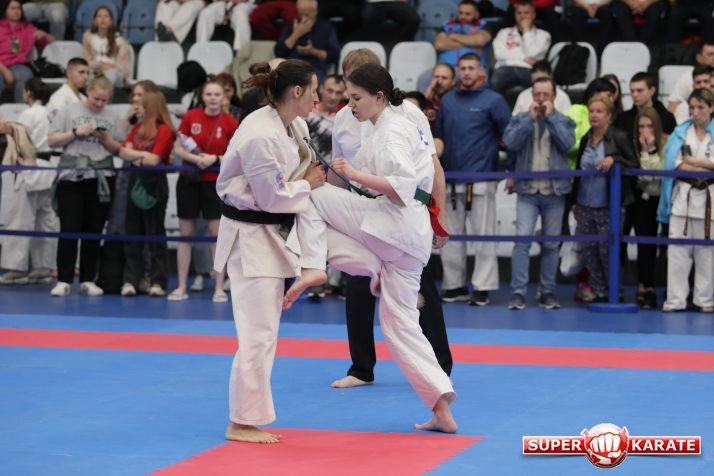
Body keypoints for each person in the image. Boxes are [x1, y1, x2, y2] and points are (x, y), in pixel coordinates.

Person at [284, 62, 457, 434]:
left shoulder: (392, 131)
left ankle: (316, 266)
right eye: (349, 98)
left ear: (379, 97)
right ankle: (441, 406)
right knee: (400, 327)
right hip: (410, 241)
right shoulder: (393, 123)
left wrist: (354, 174)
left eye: (356, 98)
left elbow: (403, 186)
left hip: (393, 225)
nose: (350, 105)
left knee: (312, 198)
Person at [213, 59, 326, 443]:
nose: (317, 98)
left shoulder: (295, 125)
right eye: (314, 90)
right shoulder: (260, 133)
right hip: (251, 238)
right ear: (297, 91)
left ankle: (246, 417)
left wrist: (309, 180)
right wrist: (308, 184)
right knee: (257, 333)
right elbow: (271, 196)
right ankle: (240, 422)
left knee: (265, 331)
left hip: (274, 232)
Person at [330, 48, 453, 389]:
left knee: (421, 287)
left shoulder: (407, 113)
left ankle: (440, 366)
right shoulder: (343, 118)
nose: (353, 92)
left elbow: (432, 165)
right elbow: (338, 173)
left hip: (403, 212)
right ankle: (361, 368)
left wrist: (440, 217)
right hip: (362, 211)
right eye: (350, 81)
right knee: (357, 285)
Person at [436, 52, 511, 305]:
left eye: (471, 68)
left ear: (481, 70)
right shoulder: (448, 100)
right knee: (449, 236)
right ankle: (454, 285)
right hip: (450, 177)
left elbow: (509, 137)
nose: (467, 72)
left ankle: (482, 286)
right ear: (458, 71)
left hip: (480, 176)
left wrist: (510, 170)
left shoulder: (494, 100)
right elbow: (439, 135)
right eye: (463, 68)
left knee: (483, 236)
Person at [47, 74, 128, 297]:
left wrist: (105, 139)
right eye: (96, 99)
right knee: (69, 229)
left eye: (104, 100)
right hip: (72, 177)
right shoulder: (69, 110)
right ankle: (64, 279)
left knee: (93, 231)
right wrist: (76, 132)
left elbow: (120, 149)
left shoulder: (113, 116)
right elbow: (51, 141)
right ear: (88, 91)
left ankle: (87, 279)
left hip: (101, 178)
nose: (99, 104)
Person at [503, 77, 576, 310]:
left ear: (555, 96)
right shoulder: (521, 118)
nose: (541, 99)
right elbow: (509, 143)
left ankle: (547, 292)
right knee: (522, 241)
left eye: (546, 95)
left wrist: (551, 118)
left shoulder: (564, 120)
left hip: (555, 190)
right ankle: (518, 292)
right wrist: (529, 119)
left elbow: (568, 144)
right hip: (527, 190)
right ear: (531, 96)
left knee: (551, 245)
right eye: (537, 95)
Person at [169, 80, 238, 303]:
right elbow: (178, 147)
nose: (213, 98)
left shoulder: (230, 122)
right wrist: (196, 159)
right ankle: (181, 286)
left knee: (216, 235)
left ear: (224, 96)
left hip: (215, 183)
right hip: (189, 179)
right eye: (208, 94)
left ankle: (218, 287)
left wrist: (213, 159)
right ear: (202, 96)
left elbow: (235, 154)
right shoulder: (191, 116)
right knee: (186, 234)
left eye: (217, 94)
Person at [572, 96, 638, 302]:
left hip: (610, 204)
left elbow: (634, 164)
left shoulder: (619, 136)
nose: (594, 115)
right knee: (590, 251)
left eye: (599, 111)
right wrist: (574, 202)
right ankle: (600, 291)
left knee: (608, 251)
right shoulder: (586, 138)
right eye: (591, 111)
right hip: (584, 203)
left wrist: (615, 159)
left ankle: (615, 292)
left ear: (609, 115)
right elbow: (578, 171)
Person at [659, 89, 714, 312]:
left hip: (710, 199)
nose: (696, 112)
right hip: (683, 197)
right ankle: (675, 300)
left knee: (707, 253)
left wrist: (694, 162)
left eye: (701, 107)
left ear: (711, 108)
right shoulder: (680, 132)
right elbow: (674, 162)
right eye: (692, 107)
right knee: (677, 251)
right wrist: (704, 166)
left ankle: (704, 300)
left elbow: (688, 162)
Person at [116, 91, 175, 298]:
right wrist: (144, 156)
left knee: (155, 232)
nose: (137, 107)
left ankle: (158, 281)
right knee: (132, 231)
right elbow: (123, 151)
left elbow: (155, 160)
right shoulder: (136, 128)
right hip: (135, 180)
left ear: (149, 107)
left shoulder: (164, 130)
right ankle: (130, 280)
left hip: (155, 182)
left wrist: (137, 156)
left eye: (141, 104)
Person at [0, 77, 58, 285]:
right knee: (46, 220)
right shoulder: (51, 113)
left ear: (28, 92)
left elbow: (20, 141)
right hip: (49, 169)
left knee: (20, 220)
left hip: (30, 168)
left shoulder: (29, 113)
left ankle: (17, 269)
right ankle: (44, 268)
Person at [626, 107, 667, 309]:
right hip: (643, 199)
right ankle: (647, 287)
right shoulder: (632, 144)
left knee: (673, 245)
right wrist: (644, 151)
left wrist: (650, 151)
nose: (645, 130)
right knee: (645, 244)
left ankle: (675, 289)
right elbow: (645, 177)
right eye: (641, 126)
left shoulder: (668, 142)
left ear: (656, 126)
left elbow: (658, 175)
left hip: (666, 198)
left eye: (649, 126)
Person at [490, 1, 551, 95]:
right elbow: (499, 54)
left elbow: (532, 53)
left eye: (526, 13)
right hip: (506, 68)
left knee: (540, 86)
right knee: (495, 81)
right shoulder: (504, 33)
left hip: (530, 69)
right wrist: (525, 59)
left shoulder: (543, 35)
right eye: (519, 13)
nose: (522, 16)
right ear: (515, 15)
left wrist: (526, 30)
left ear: (533, 15)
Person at [274, 0, 339, 86]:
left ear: (315, 11)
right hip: (292, 68)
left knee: (310, 83)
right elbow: (278, 52)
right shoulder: (292, 27)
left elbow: (335, 56)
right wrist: (296, 34)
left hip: (315, 69)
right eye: (301, 14)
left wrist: (312, 51)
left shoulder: (327, 27)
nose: (303, 18)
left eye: (307, 14)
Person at [0, 0, 55, 102]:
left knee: (26, 74)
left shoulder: (27, 28)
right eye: (12, 8)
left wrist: (45, 35)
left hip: (16, 65)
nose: (16, 11)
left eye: (18, 8)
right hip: (1, 65)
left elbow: (53, 41)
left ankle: (22, 109)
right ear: (4, 10)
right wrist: (5, 72)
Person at [433, 0, 494, 72]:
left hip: (474, 69)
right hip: (447, 67)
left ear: (476, 14)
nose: (463, 16)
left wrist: (454, 36)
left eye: (467, 14)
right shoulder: (447, 24)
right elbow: (439, 45)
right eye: (460, 13)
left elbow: (480, 41)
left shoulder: (483, 25)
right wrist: (473, 44)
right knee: (425, 77)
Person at [614, 72, 677, 141]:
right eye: (632, 91)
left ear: (652, 90)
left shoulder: (667, 118)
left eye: (639, 90)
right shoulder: (622, 118)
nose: (634, 95)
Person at [82, 6, 130, 88]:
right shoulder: (88, 37)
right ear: (94, 21)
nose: (103, 19)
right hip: (95, 69)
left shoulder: (118, 38)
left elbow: (125, 64)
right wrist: (99, 65)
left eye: (106, 16)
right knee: (83, 75)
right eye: (99, 16)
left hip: (113, 69)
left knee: (110, 75)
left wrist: (111, 66)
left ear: (111, 21)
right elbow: (86, 61)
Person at [305, 73, 344, 161]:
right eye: (330, 91)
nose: (333, 97)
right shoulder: (305, 109)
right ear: (321, 89)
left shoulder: (345, 119)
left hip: (327, 166)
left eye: (338, 93)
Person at [667, 42, 714, 113]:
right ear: (699, 58)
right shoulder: (686, 78)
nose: (713, 58)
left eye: (706, 82)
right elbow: (672, 110)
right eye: (710, 54)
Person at [47, 57, 89, 122]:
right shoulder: (59, 97)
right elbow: (58, 124)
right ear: (69, 73)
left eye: (87, 73)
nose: (86, 77)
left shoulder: (84, 98)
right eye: (81, 72)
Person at [406, 91, 445, 158]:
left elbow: (437, 151)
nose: (406, 112)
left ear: (423, 112)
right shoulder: (395, 128)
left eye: (412, 109)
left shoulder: (432, 131)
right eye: (404, 108)